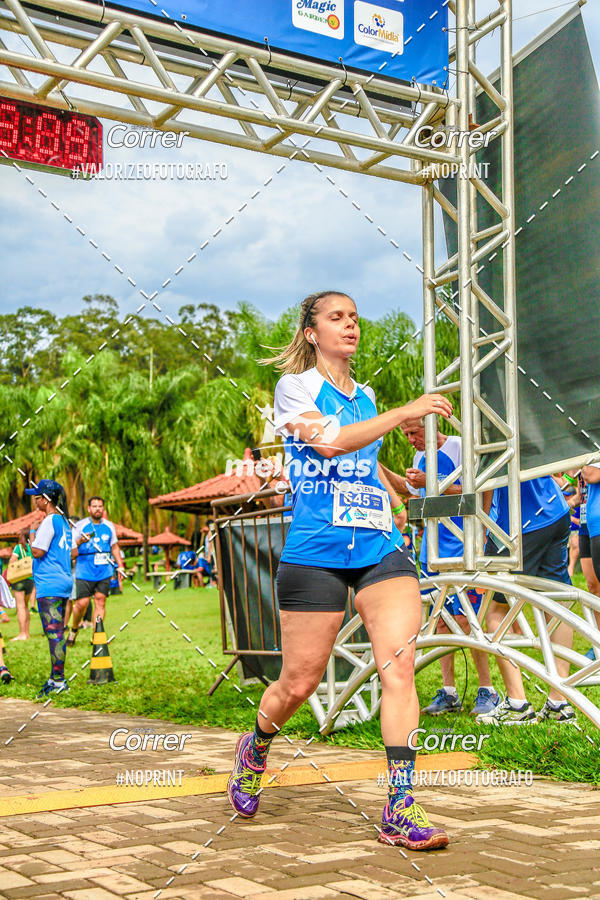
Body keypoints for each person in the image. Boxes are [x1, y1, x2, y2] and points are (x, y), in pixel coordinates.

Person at [226, 290, 453, 851]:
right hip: (315, 552)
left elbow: (365, 467)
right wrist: (404, 413)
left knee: (399, 669)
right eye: (336, 317)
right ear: (311, 332)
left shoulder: (366, 394)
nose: (349, 325)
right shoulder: (295, 388)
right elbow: (328, 445)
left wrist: (399, 503)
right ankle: (256, 744)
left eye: (354, 317)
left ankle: (400, 806)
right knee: (299, 683)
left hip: (379, 549)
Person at [383, 420, 500, 717]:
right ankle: (449, 692)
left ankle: (487, 689)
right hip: (434, 548)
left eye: (415, 433)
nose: (411, 440)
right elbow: (410, 490)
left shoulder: (460, 446)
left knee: (468, 620)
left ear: (430, 425)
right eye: (406, 435)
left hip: (463, 544)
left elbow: (478, 489)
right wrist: (374, 465)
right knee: (442, 620)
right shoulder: (419, 457)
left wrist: (482, 536)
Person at [477, 476, 575, 724]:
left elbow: (486, 480)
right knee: (554, 604)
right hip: (556, 511)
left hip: (521, 521)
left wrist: (481, 531)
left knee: (496, 610)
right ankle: (559, 702)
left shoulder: (490, 434)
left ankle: (517, 704)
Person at [26, 479, 73, 699]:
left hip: (50, 583)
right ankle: (57, 678)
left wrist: (32, 534)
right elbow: (71, 551)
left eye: (37, 497)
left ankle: (58, 681)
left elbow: (37, 552)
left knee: (54, 633)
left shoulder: (48, 521)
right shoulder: (64, 521)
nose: (35, 500)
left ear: (45, 500)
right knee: (58, 632)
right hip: (63, 580)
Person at [66, 497, 124, 646]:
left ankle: (96, 637)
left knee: (100, 601)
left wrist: (120, 565)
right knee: (82, 603)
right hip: (84, 570)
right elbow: (70, 547)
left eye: (100, 506)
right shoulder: (80, 526)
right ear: (89, 509)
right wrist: (80, 541)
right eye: (94, 506)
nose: (97, 509)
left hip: (104, 570)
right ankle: (74, 629)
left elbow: (115, 547)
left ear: (103, 509)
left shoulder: (109, 526)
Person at [580, 463, 600, 659]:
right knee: (593, 586)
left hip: (598, 519)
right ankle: (598, 643)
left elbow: (590, 473)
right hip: (587, 519)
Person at [8, 528, 35, 641]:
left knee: (20, 607)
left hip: (19, 579)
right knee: (26, 606)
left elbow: (11, 562)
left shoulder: (19, 548)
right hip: (30, 579)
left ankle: (22, 633)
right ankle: (27, 633)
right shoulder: (32, 548)